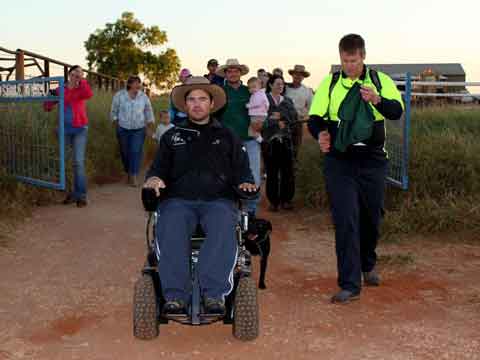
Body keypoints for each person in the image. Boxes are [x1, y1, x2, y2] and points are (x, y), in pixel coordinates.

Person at [143, 76, 256, 315]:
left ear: (212, 104)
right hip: (178, 200)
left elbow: (243, 172)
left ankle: (214, 294)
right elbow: (157, 170)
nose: (196, 104)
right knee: (170, 222)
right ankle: (174, 295)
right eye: (191, 100)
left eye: (202, 99)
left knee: (225, 223)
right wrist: (153, 180)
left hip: (218, 201)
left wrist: (246, 182)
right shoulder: (171, 137)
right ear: (185, 106)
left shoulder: (228, 137)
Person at [307, 34, 404, 304]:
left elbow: (396, 111)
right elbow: (315, 119)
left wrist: (377, 100)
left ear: (363, 56)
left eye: (353, 60)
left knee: (372, 217)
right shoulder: (330, 83)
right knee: (345, 219)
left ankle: (367, 264)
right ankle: (349, 283)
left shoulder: (380, 81)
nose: (349, 65)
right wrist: (321, 134)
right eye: (344, 60)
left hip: (373, 160)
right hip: (339, 161)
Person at [216, 59, 262, 216]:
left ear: (240, 73)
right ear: (226, 73)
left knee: (254, 175)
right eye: (229, 71)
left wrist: (262, 124)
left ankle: (251, 211)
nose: (233, 73)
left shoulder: (249, 90)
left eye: (236, 70)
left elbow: (262, 108)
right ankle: (230, 210)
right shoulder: (219, 92)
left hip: (249, 139)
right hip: (227, 140)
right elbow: (214, 116)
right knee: (227, 176)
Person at [44, 65, 93, 207]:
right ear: (69, 74)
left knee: (78, 162)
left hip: (79, 130)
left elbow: (88, 94)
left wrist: (82, 80)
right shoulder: (61, 89)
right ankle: (72, 193)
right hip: (64, 130)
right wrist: (49, 98)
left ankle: (81, 195)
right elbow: (47, 106)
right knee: (65, 163)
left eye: (80, 73)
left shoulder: (82, 88)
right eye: (75, 72)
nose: (77, 74)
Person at [111, 75, 155, 187]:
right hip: (123, 128)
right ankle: (128, 172)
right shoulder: (120, 95)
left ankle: (133, 175)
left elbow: (148, 111)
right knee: (125, 152)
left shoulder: (143, 97)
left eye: (138, 83)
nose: (137, 85)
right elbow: (113, 110)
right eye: (135, 83)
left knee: (135, 151)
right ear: (129, 84)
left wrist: (149, 125)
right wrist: (116, 123)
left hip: (139, 129)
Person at [262, 75, 298, 212]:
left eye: (282, 84)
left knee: (288, 171)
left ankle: (287, 200)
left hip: (286, 140)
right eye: (277, 84)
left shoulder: (288, 101)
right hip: (270, 141)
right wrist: (275, 121)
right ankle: (273, 202)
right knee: (272, 172)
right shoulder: (264, 99)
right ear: (270, 85)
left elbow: (294, 117)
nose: (280, 86)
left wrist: (282, 116)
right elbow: (261, 116)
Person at [285, 65, 313, 158]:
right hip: (284, 121)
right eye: (296, 74)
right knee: (283, 145)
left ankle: (293, 167)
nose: (298, 76)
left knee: (296, 146)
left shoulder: (307, 91)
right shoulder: (285, 88)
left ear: (303, 77)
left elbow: (311, 108)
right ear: (292, 75)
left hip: (298, 122)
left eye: (300, 75)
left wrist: (304, 117)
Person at [246, 76, 269, 143]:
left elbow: (257, 103)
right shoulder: (260, 93)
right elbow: (267, 104)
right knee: (253, 130)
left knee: (252, 130)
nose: (251, 89)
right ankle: (260, 139)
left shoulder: (258, 94)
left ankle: (261, 141)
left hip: (257, 114)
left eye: (254, 87)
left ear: (260, 86)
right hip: (260, 114)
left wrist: (248, 105)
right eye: (249, 88)